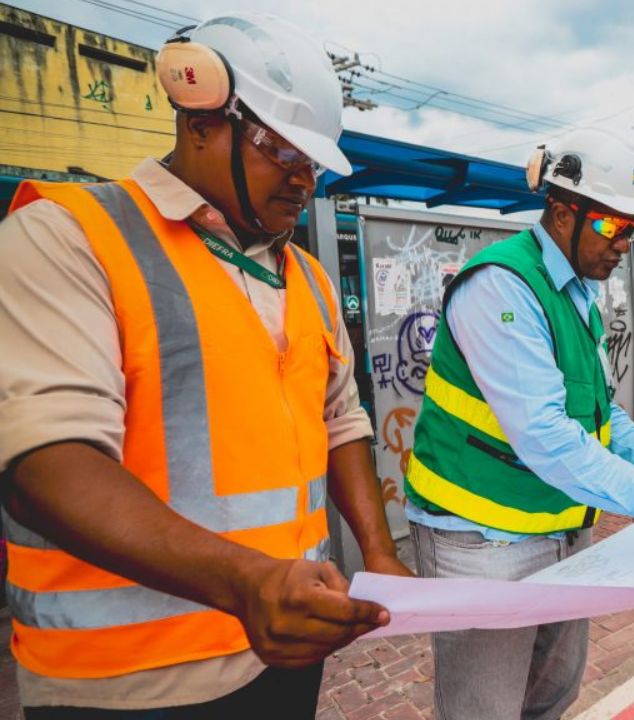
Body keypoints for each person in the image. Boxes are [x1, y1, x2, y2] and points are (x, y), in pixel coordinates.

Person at [0, 13, 411, 718]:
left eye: (311, 163)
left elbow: (340, 422)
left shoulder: (306, 276)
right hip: (127, 680)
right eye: (280, 151)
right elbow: (46, 462)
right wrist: (249, 583)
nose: (301, 180)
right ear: (200, 121)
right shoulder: (66, 236)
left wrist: (378, 552)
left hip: (284, 648)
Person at [402, 127, 634, 720]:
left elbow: (595, 412)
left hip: (559, 529)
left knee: (550, 698)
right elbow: (545, 434)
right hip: (481, 538)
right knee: (485, 710)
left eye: (632, 230)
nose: (623, 245)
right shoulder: (501, 286)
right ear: (562, 213)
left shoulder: (578, 291)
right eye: (612, 226)